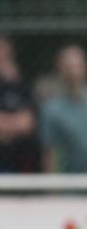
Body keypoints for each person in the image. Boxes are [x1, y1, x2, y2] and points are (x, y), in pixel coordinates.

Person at [0, 35, 40, 173]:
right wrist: (14, 125)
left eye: (0, 50)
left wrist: (4, 127)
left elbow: (27, 122)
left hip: (21, 160)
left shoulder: (21, 85)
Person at [41, 45, 87, 173]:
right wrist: (52, 189)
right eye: (68, 67)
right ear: (59, 69)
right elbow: (50, 152)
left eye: (77, 66)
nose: (73, 72)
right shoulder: (51, 109)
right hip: (68, 184)